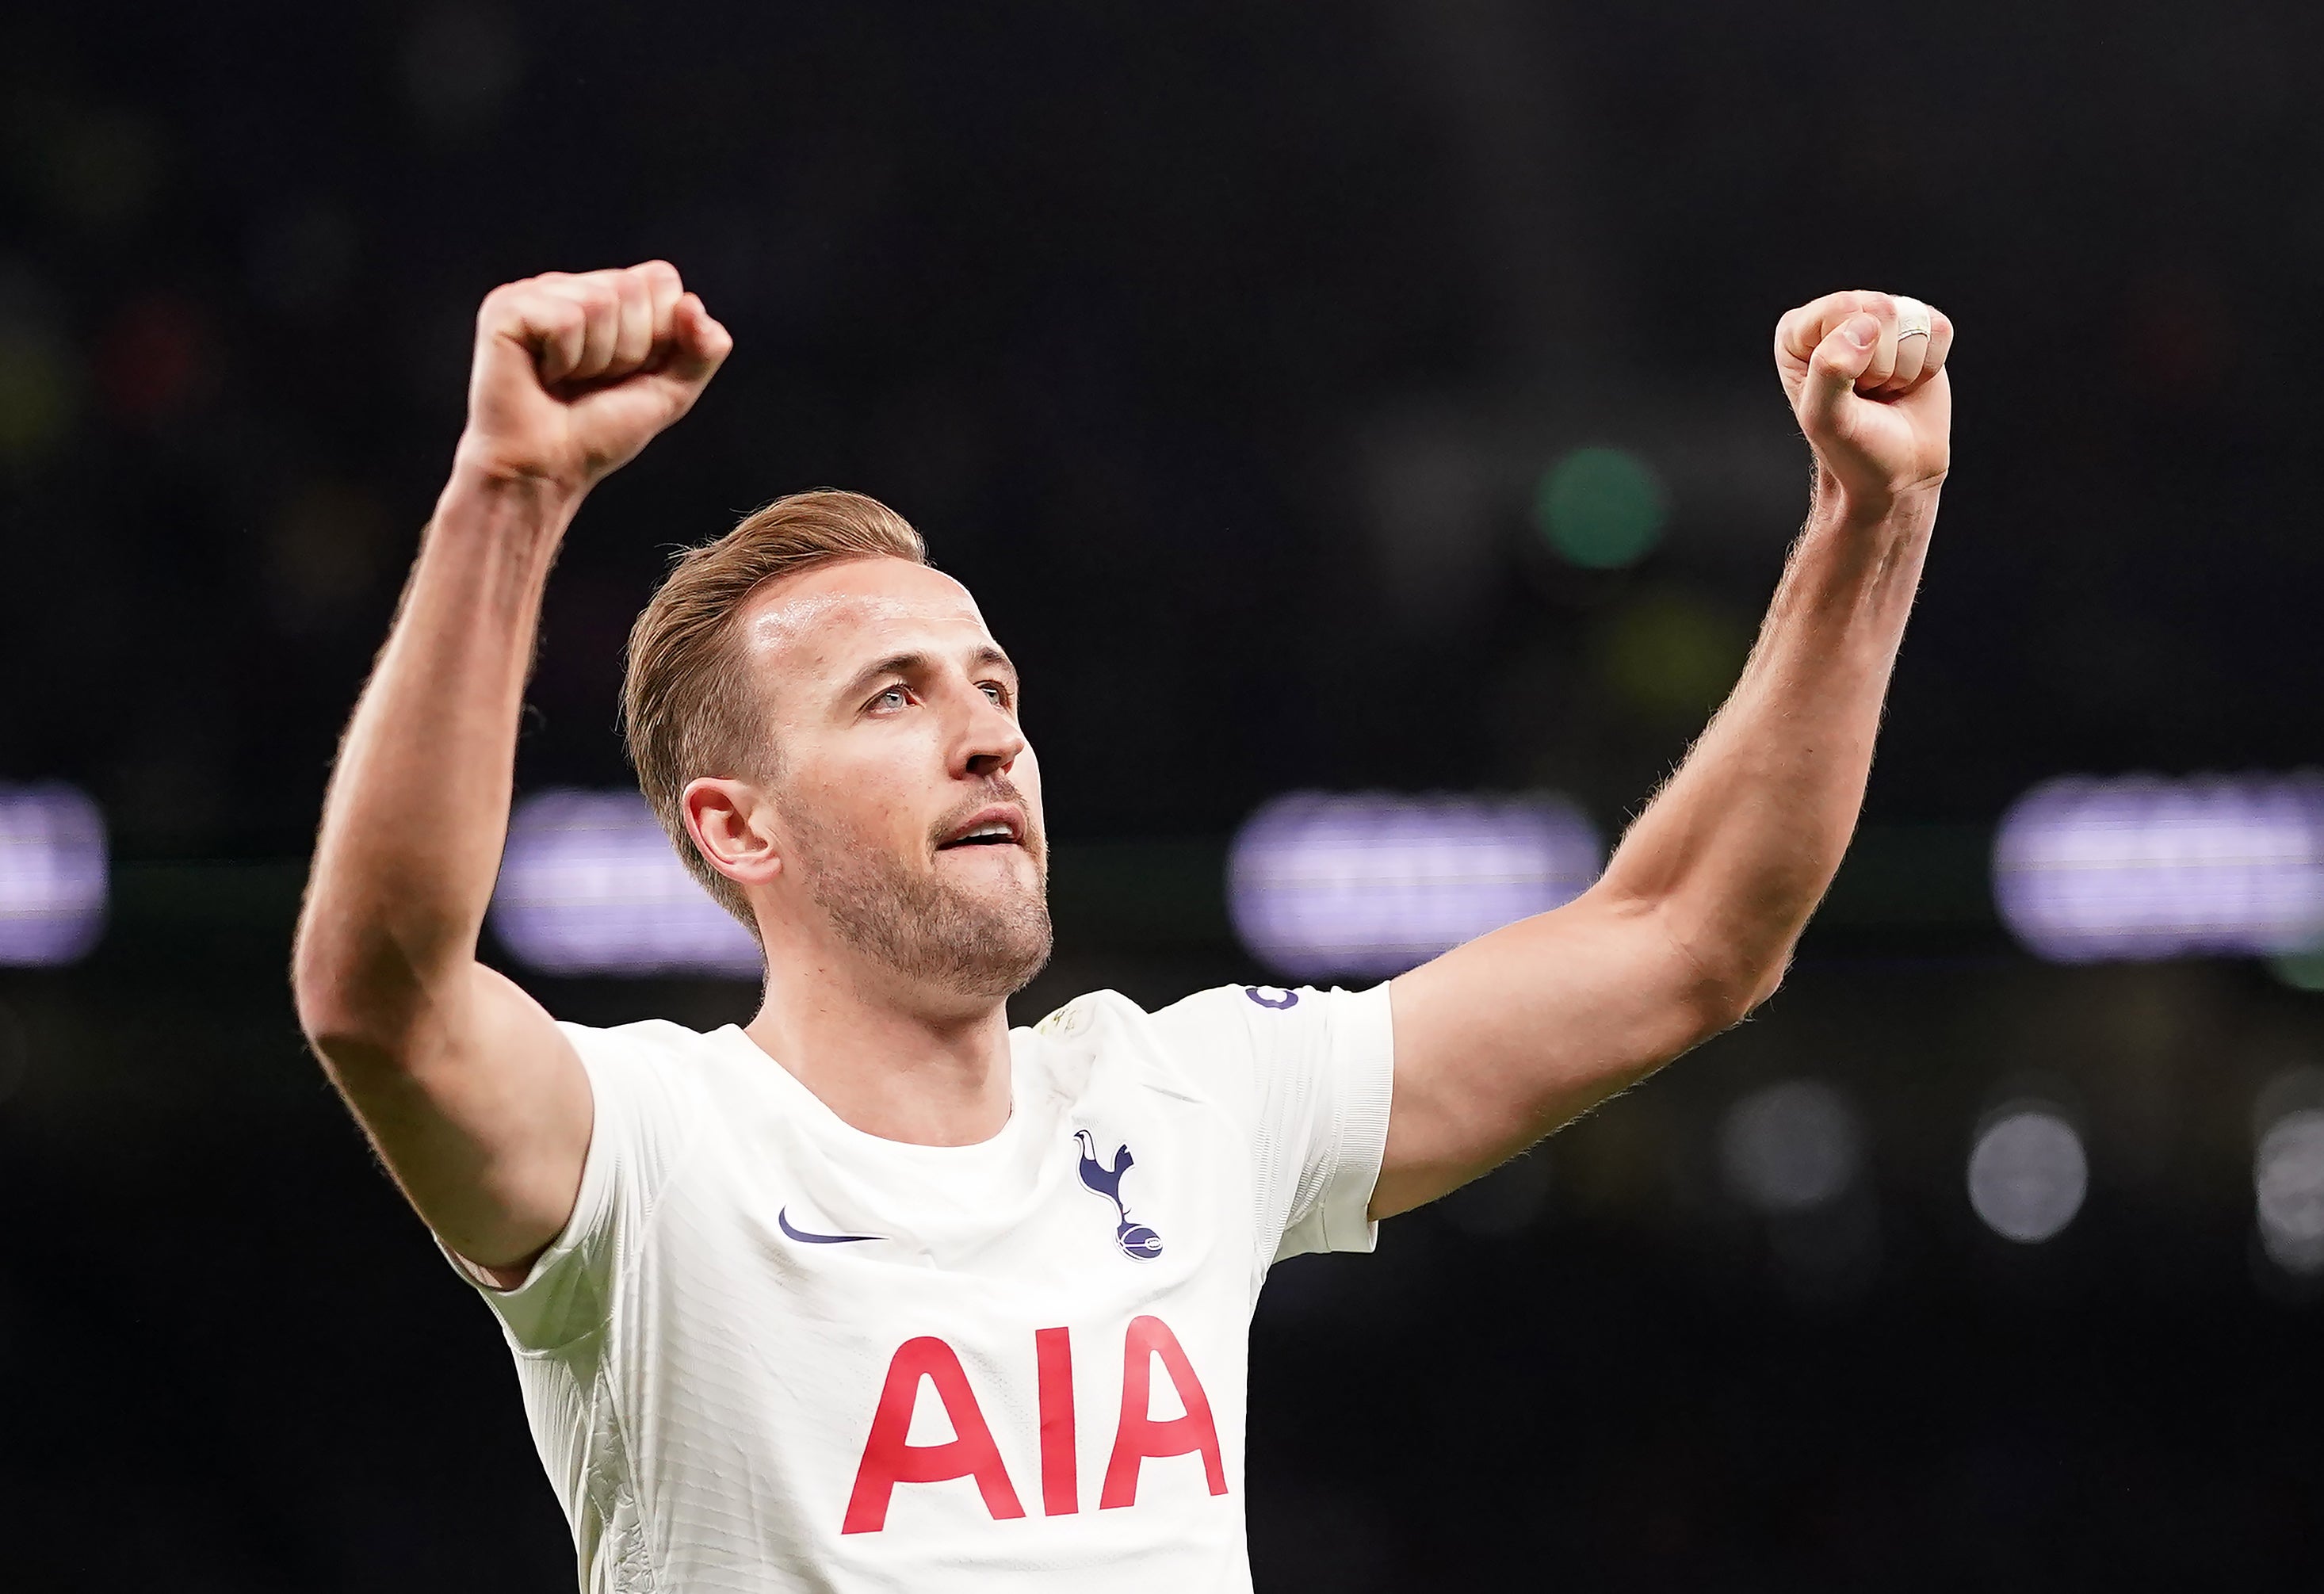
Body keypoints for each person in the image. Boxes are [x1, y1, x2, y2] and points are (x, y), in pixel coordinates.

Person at [291, 260, 1951, 1592]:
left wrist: (1869, 516)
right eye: (891, 697)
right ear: (737, 828)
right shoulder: (648, 1153)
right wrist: (507, 494)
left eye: (994, 686)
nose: (986, 731)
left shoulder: (1182, 1101)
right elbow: (383, 995)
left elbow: (1683, 936)